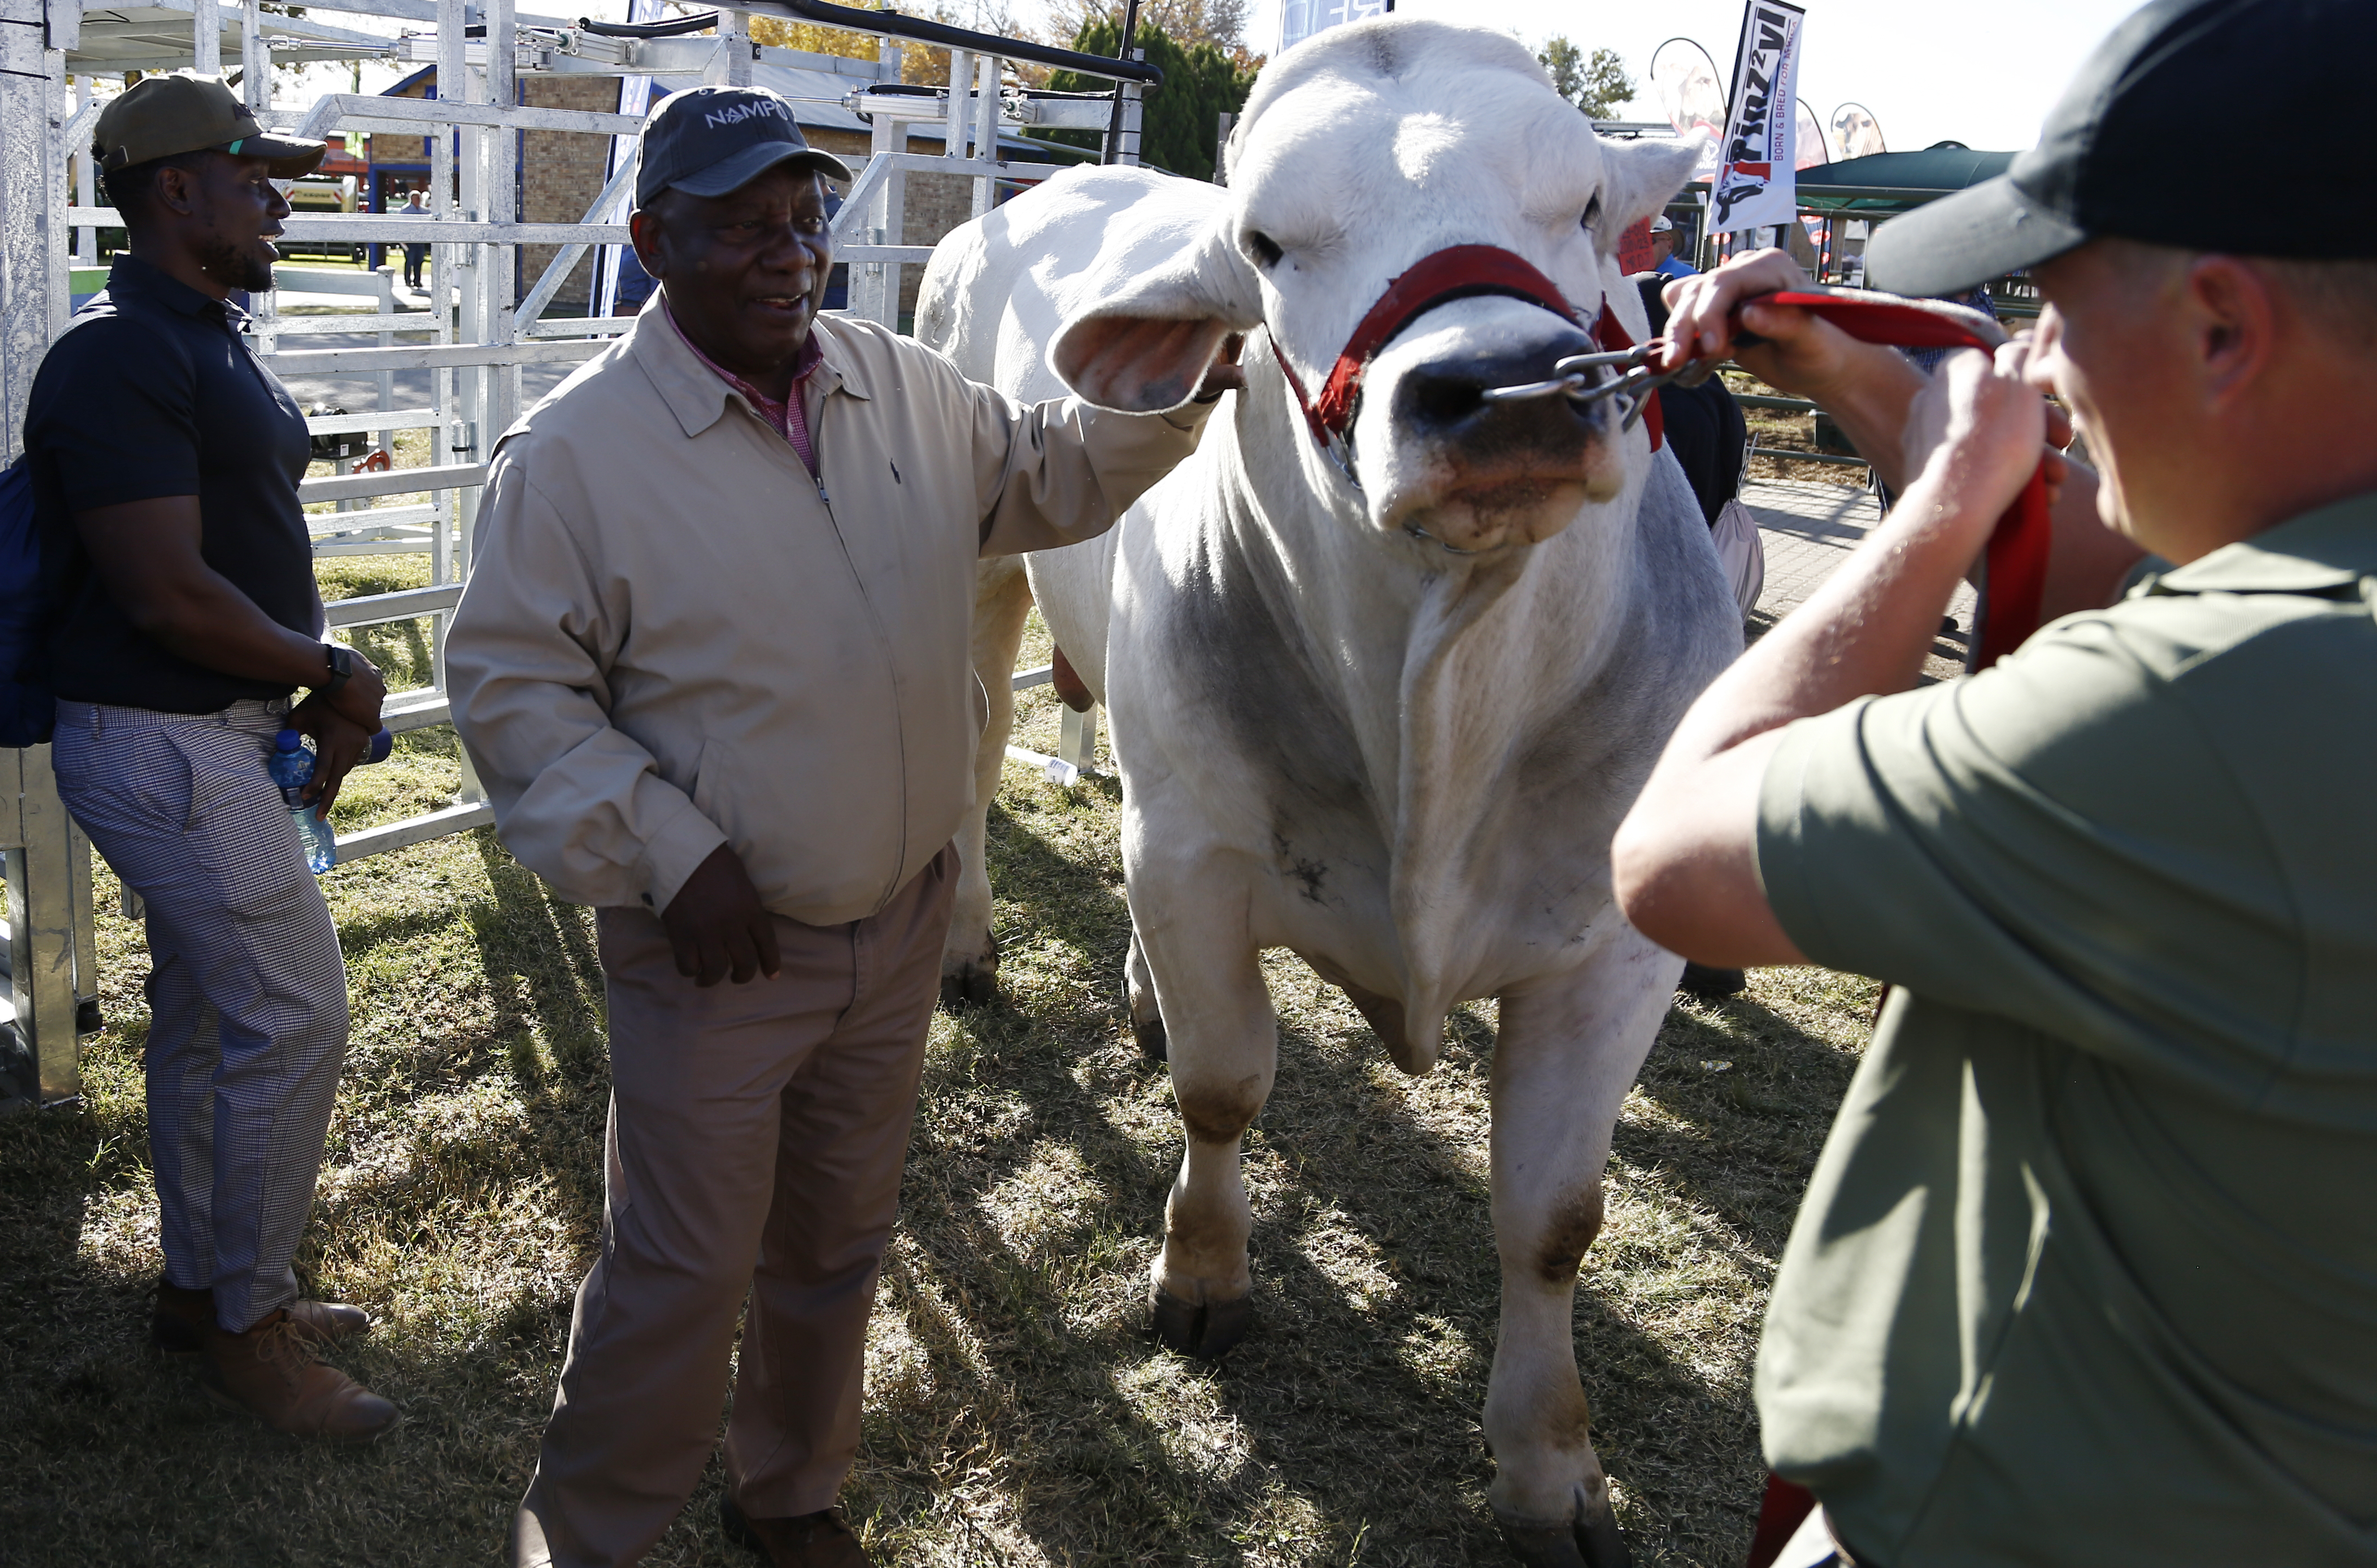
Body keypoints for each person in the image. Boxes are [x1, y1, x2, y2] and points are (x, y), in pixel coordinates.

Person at [1613, 1, 2377, 1564]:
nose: (2027, 352)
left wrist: (1947, 493)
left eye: (2054, 302)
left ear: (2225, 328)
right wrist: (1863, 376)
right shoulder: (2306, 623)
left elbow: (1680, 854)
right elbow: (2126, 535)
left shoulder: (2219, 706)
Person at [444, 85, 1238, 1568]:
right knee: (677, 1271)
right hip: (717, 953)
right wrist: (670, 854)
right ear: (650, 239)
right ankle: (591, 1537)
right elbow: (514, 695)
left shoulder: (897, 382)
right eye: (738, 224)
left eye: (803, 218)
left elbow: (1051, 470)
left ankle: (789, 1495)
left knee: (836, 1240)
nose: (785, 251)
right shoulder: (577, 456)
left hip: (897, 921)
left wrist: (1190, 385)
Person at [22, 72, 396, 1441]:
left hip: (214, 731)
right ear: (175, 192)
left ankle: (202, 1289)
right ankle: (251, 1322)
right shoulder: (119, 359)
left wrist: (305, 673)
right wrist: (332, 669)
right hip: (165, 742)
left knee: (204, 1020)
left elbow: (231, 559)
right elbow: (167, 595)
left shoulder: (206, 337)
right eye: (255, 174)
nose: (279, 197)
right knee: (292, 1012)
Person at [398, 186, 430, 291]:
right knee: (409, 261)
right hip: (409, 241)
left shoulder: (425, 211)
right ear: (411, 199)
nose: (419, 200)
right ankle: (408, 280)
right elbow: (401, 226)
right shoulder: (405, 210)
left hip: (420, 241)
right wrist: (402, 240)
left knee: (419, 261)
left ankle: (417, 281)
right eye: (417, 198)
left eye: (419, 198)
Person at [1649, 213, 1698, 280]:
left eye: (1652, 241)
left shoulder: (1689, 277)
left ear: (1669, 246)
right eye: (1640, 241)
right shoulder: (1632, 276)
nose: (1643, 247)